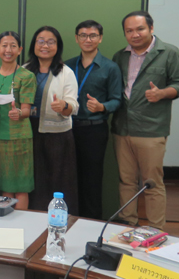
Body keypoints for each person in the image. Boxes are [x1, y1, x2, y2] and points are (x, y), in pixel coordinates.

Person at [111, 11, 179, 229]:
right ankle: (128, 225)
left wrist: (162, 93)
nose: (135, 34)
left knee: (152, 183)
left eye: (140, 29)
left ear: (151, 28)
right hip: (122, 128)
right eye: (129, 30)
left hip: (151, 129)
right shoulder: (120, 56)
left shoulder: (169, 52)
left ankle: (155, 230)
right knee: (126, 181)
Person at [64, 20, 122, 220]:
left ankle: (92, 223)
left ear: (100, 38)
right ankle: (71, 221)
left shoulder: (110, 67)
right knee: (70, 178)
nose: (87, 40)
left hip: (94, 130)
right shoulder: (68, 65)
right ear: (76, 38)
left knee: (92, 180)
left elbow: (117, 100)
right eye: (83, 35)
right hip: (68, 128)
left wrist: (102, 107)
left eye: (92, 36)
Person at [24, 26, 79, 214]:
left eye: (51, 41)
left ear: (58, 46)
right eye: (40, 40)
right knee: (34, 179)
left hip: (58, 136)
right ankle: (34, 219)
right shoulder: (23, 70)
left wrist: (63, 106)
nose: (45, 45)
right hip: (28, 131)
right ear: (34, 45)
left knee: (59, 180)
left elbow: (74, 105)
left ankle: (61, 220)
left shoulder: (66, 72)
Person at [0, 31, 36, 210]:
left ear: (20, 50)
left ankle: (22, 225)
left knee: (20, 185)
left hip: (19, 137)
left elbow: (27, 109)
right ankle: (7, 222)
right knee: (5, 184)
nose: (8, 50)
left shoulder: (26, 76)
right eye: (4, 45)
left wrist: (19, 113)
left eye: (13, 46)